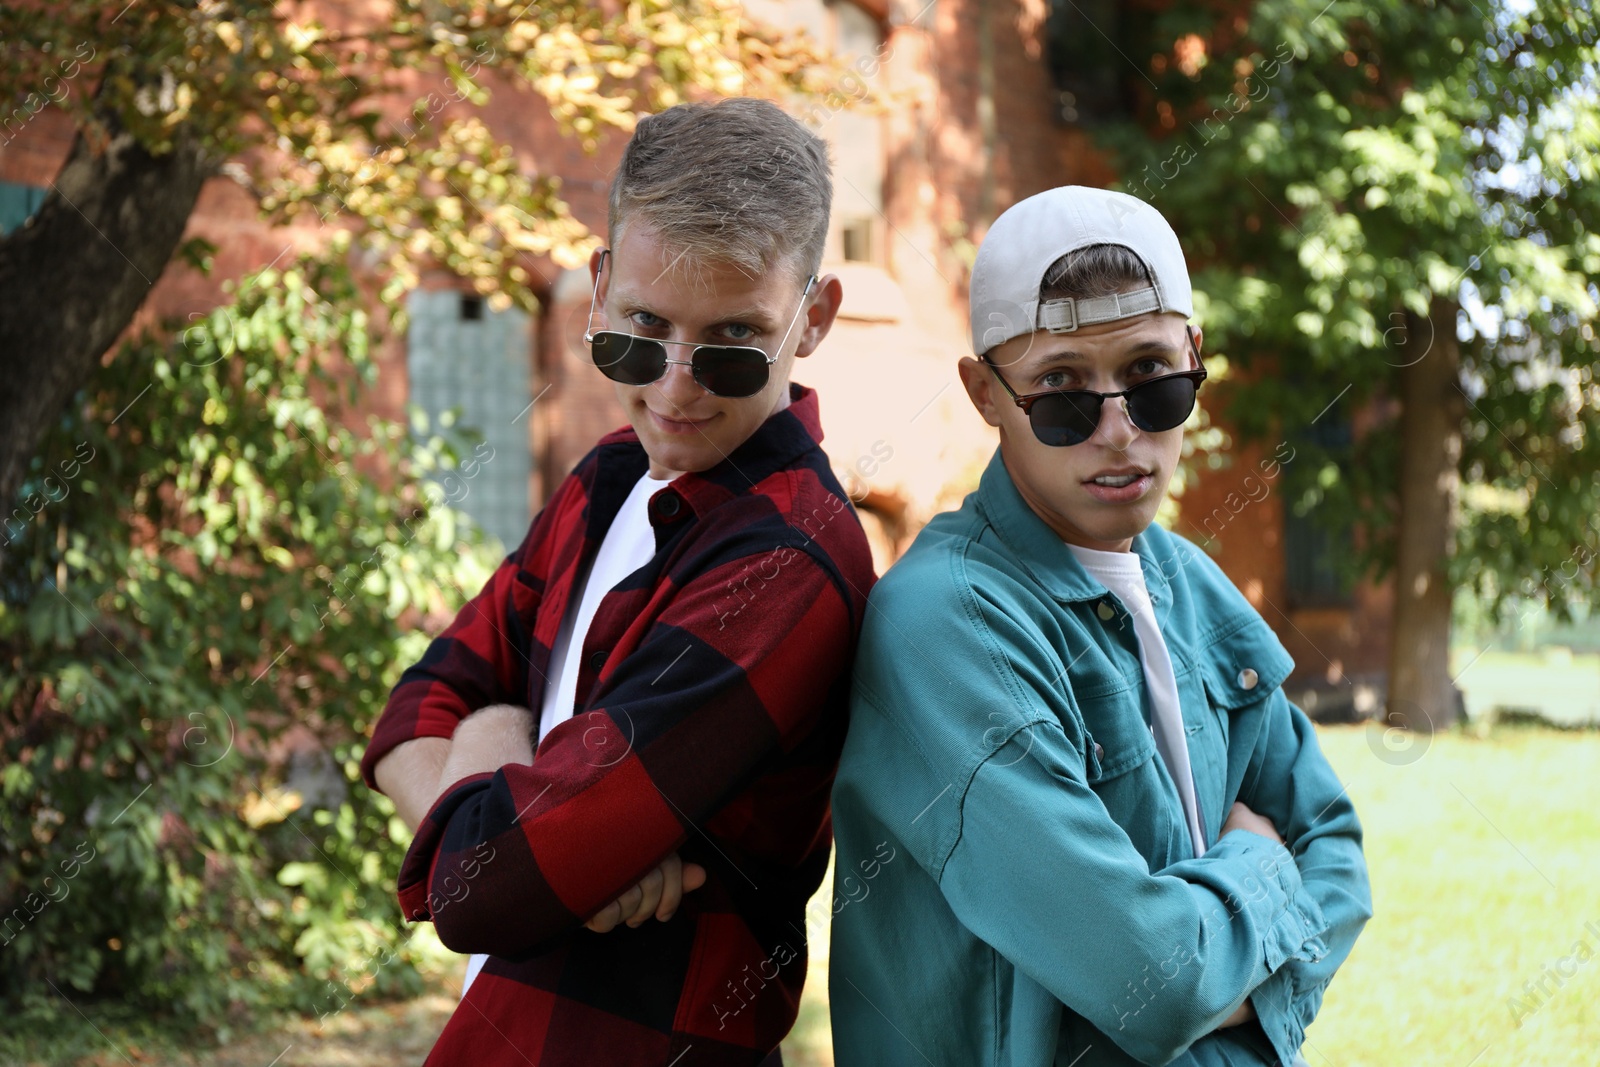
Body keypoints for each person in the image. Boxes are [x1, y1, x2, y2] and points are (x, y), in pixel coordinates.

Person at [359, 96, 876, 1066]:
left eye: (731, 341)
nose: (676, 386)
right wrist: (498, 754)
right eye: (640, 330)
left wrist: (498, 801)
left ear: (813, 318)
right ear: (597, 290)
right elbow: (408, 713)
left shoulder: (786, 560)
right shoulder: (608, 476)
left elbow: (477, 885)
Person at [827, 185, 1371, 1067]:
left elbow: (1336, 849)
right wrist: (1260, 870)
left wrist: (1215, 958)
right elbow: (1150, 983)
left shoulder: (1190, 581)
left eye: (1153, 380)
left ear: (1195, 357)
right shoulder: (947, 623)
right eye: (1062, 389)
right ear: (984, 393)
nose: (1119, 430)